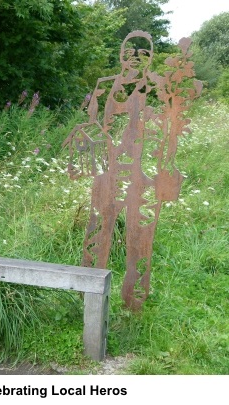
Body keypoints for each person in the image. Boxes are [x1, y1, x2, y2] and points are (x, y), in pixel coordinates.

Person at [63, 31, 201, 310]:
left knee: (141, 236)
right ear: (120, 55)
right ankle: (87, 295)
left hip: (143, 175)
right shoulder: (105, 85)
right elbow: (91, 125)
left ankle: (134, 297)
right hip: (107, 171)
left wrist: (168, 167)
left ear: (150, 57)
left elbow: (170, 130)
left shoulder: (162, 87)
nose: (136, 59)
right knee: (98, 229)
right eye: (129, 53)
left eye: (143, 53)